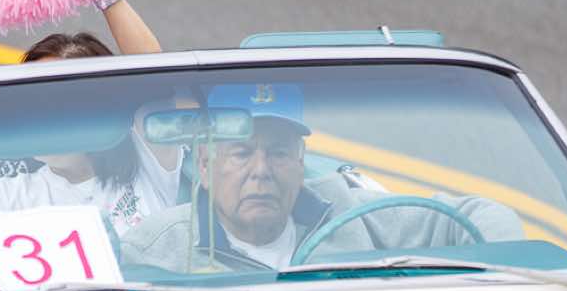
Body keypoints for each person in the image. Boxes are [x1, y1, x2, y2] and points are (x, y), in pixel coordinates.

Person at [122, 85, 523, 273]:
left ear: (301, 164)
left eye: (278, 152)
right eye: (242, 153)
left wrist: (503, 287)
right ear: (206, 166)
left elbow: (480, 216)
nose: (261, 170)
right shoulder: (155, 249)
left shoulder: (349, 213)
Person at [0, 0, 185, 233]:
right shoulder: (6, 198)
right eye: (31, 98)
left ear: (100, 107)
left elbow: (154, 76)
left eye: (58, 99)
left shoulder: (145, 163)